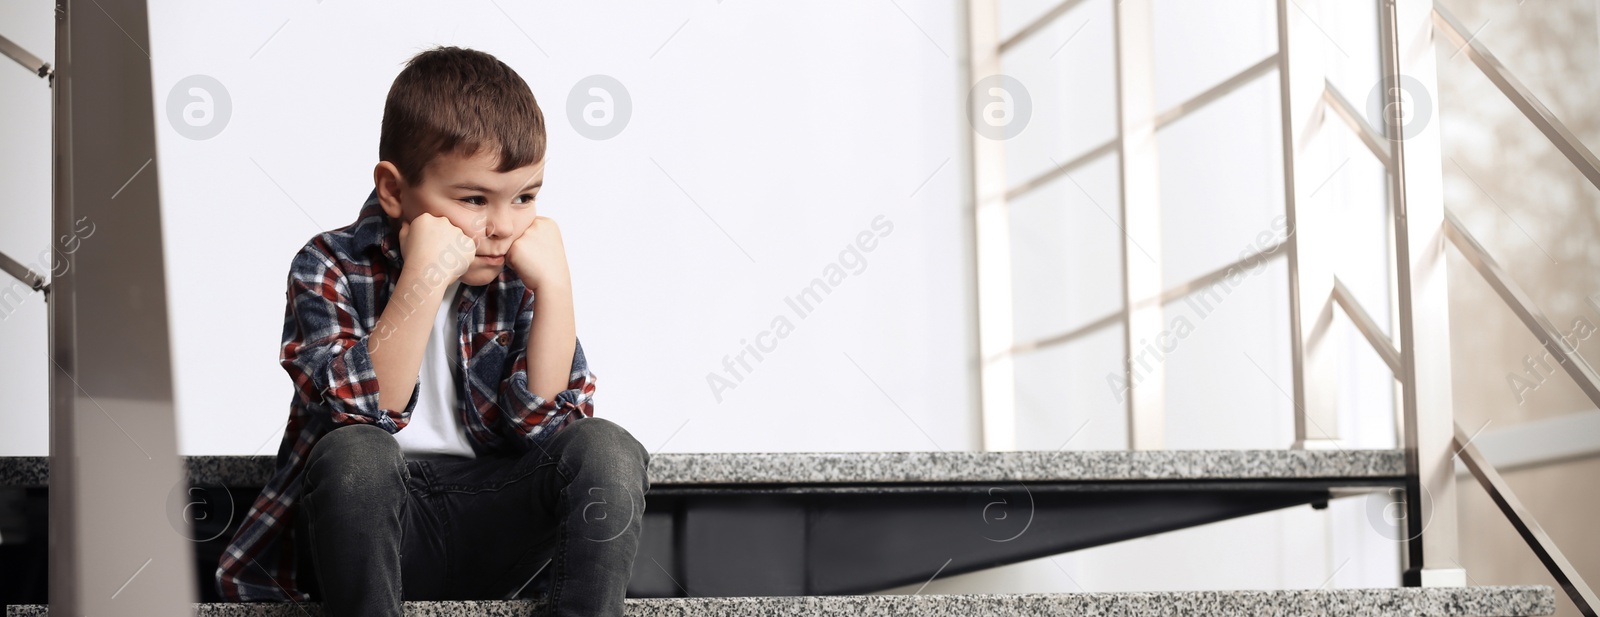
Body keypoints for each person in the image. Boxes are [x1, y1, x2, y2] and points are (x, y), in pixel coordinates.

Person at [214, 45, 650, 617]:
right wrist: (422, 276)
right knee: (356, 455)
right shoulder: (328, 266)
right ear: (394, 191)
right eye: (474, 199)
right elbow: (365, 412)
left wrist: (556, 291)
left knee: (609, 449)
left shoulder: (514, 274)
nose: (502, 227)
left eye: (525, 197)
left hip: (493, 515)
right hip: (370, 527)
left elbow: (547, 427)